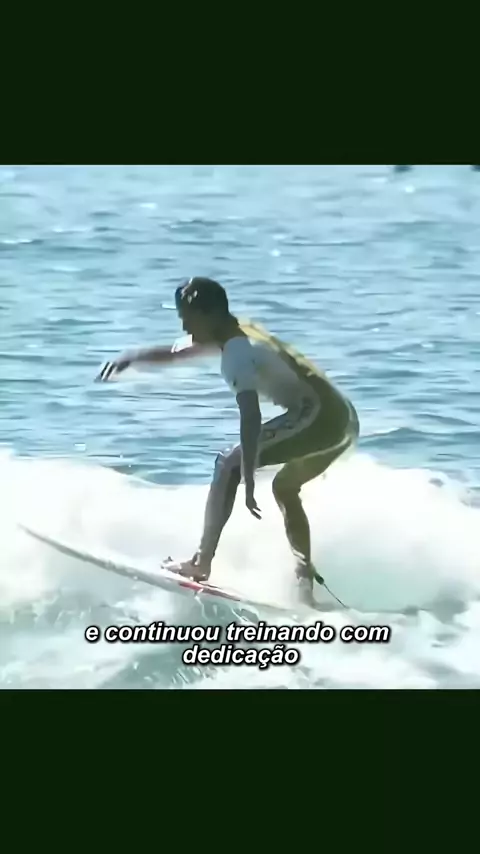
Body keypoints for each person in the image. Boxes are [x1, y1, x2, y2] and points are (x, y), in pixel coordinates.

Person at [96, 277, 360, 603]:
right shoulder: (237, 330)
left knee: (227, 464)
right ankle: (304, 583)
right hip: (344, 419)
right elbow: (178, 352)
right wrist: (135, 357)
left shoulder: (237, 353)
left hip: (322, 420)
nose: (184, 326)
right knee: (284, 488)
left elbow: (250, 416)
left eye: (188, 318)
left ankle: (200, 562)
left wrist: (246, 473)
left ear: (210, 315)